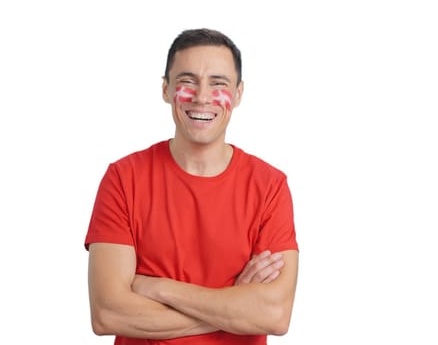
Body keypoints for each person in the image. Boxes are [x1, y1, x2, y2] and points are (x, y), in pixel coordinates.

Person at [84, 28, 299, 345]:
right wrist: (233, 305)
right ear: (166, 90)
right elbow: (108, 314)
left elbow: (275, 314)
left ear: (238, 94)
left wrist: (158, 288)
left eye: (218, 84)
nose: (202, 96)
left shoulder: (269, 186)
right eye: (187, 81)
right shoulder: (123, 178)